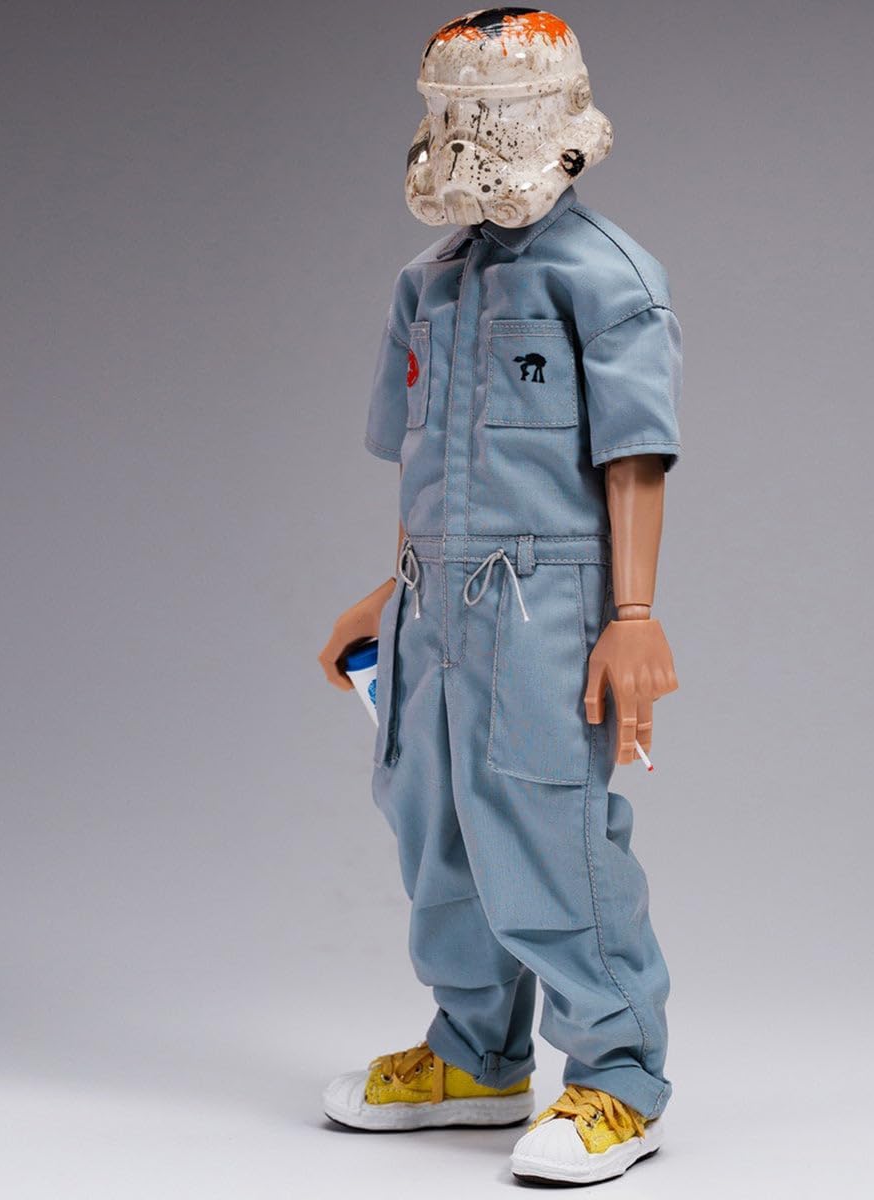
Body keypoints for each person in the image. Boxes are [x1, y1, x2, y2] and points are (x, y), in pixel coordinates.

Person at [318, 8, 683, 1186]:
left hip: (546, 602)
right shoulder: (426, 286)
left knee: (546, 828)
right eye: (455, 118)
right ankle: (475, 1056)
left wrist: (632, 618)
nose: (470, 143)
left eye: (493, 117)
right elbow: (424, 453)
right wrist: (393, 587)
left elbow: (634, 457)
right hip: (434, 599)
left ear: (558, 123)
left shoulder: (607, 278)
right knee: (434, 820)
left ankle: (619, 1075)